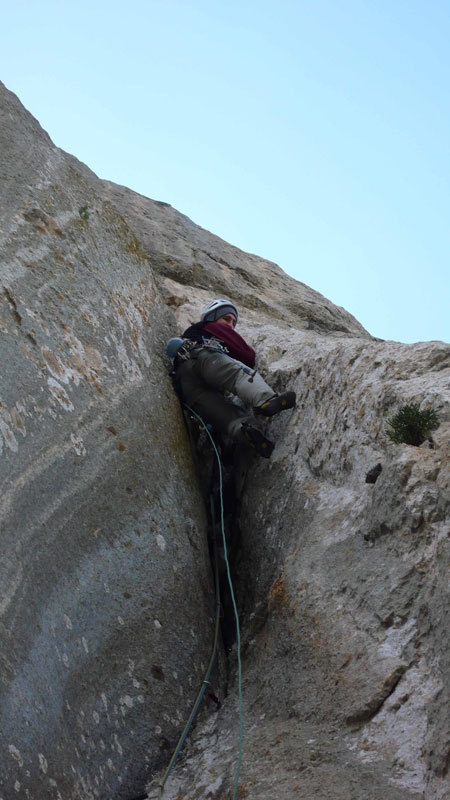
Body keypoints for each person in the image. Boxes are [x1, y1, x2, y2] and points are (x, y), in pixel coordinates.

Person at [167, 299, 296, 458]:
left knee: (225, 415)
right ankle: (266, 400)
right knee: (238, 375)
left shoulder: (192, 333)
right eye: (226, 318)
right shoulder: (211, 326)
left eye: (233, 322)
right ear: (212, 318)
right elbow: (246, 355)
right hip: (205, 359)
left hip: (187, 386)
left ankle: (247, 432)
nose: (230, 325)